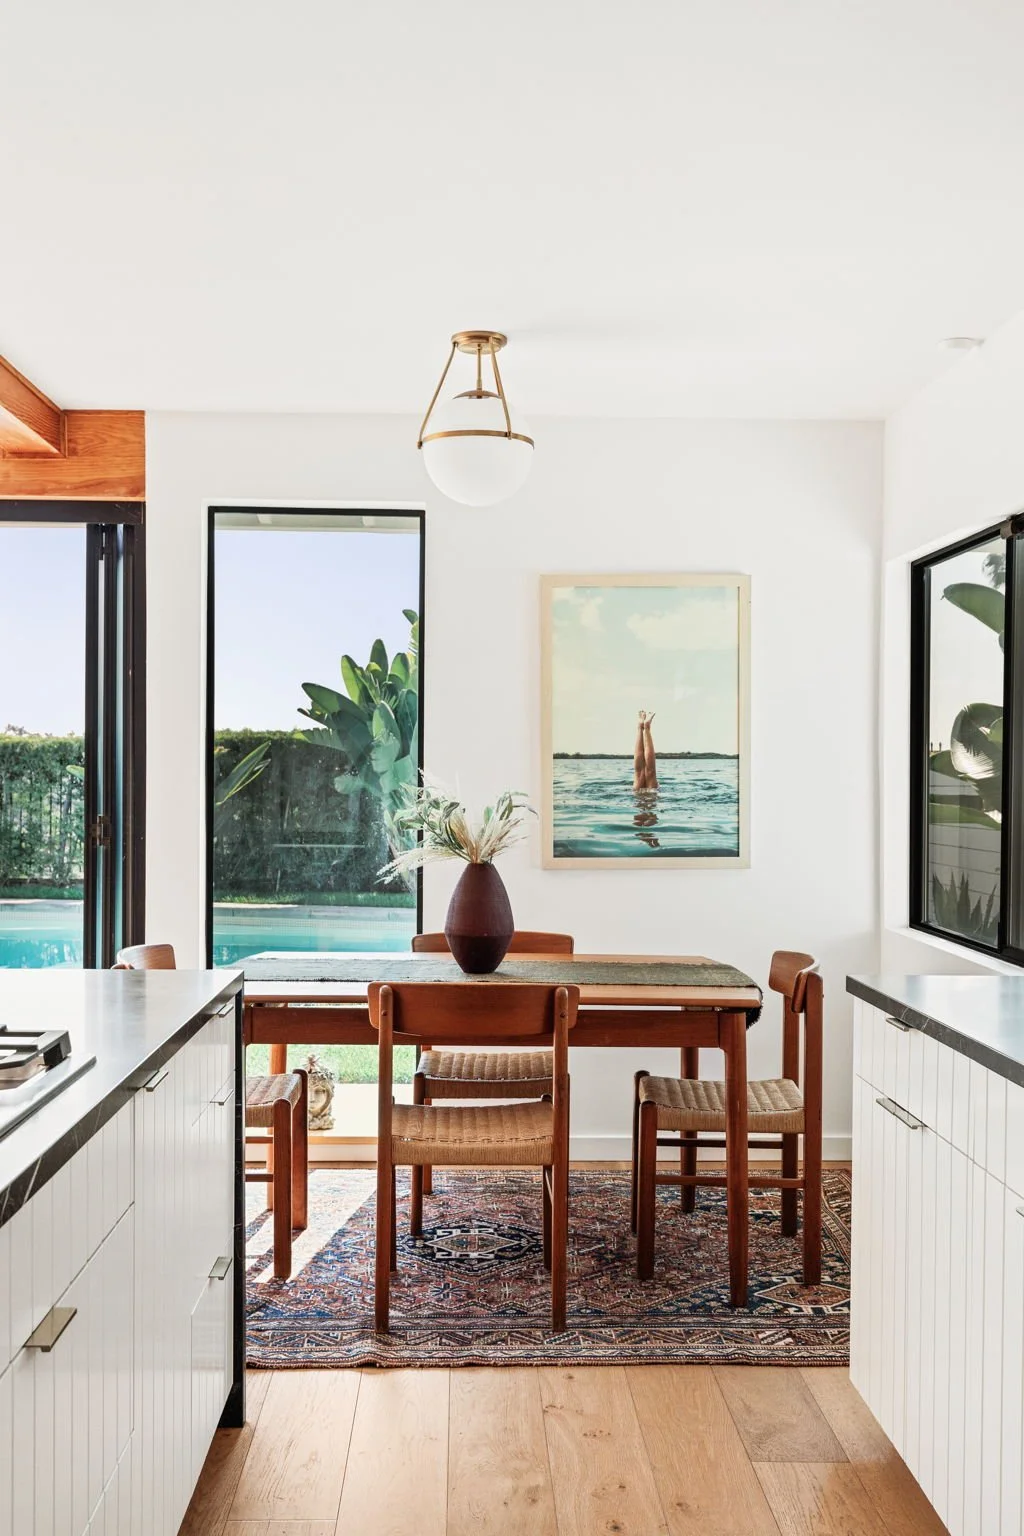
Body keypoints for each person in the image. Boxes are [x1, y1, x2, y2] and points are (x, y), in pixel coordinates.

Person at [632, 710, 658, 791]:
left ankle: (641, 728)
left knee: (640, 773)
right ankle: (644, 728)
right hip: (650, 795)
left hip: (639, 795)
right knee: (646, 772)